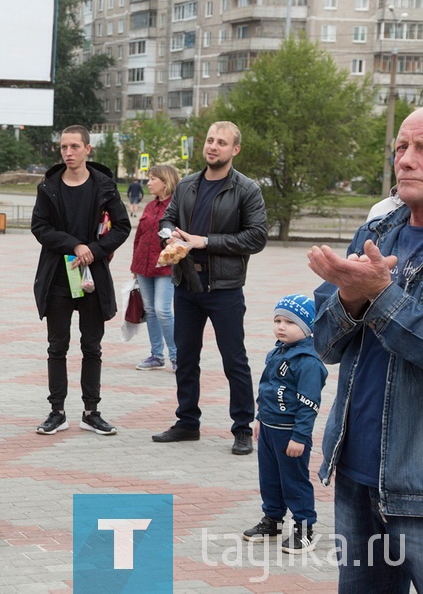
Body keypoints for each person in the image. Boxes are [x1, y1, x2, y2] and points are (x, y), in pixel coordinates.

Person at [307, 107, 423, 590]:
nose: (407, 161)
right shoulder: (379, 230)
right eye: (401, 147)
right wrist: (351, 297)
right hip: (358, 473)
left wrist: (378, 293)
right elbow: (324, 342)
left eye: (421, 150)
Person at [152, 121, 268, 455]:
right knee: (185, 357)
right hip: (186, 282)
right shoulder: (188, 185)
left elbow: (257, 236)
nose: (212, 146)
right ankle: (187, 422)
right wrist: (169, 235)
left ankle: (243, 428)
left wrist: (205, 242)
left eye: (221, 142)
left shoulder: (246, 189)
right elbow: (167, 218)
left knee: (234, 360)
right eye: (209, 140)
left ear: (235, 150)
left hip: (224, 287)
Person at [31, 125, 131, 437]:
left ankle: (91, 412)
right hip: (57, 277)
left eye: (75, 146)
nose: (68, 153)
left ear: (88, 149)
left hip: (92, 278)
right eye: (64, 147)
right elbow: (39, 227)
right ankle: (56, 411)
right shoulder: (49, 186)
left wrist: (95, 251)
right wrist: (74, 245)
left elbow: (122, 227)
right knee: (57, 346)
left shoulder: (104, 186)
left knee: (92, 346)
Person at [241, 294, 327, 554]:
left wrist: (300, 437)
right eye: (277, 320)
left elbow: (308, 404)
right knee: (270, 478)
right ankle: (273, 520)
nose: (280, 327)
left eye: (289, 322)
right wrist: (259, 418)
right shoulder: (277, 353)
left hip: (290, 433)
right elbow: (266, 388)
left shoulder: (308, 363)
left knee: (294, 481)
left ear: (308, 327)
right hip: (268, 428)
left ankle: (304, 528)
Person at [130, 164, 180, 371]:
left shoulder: (177, 206)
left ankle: (178, 356)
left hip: (165, 267)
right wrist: (134, 265)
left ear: (165, 181)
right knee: (150, 310)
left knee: (162, 310)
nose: (148, 183)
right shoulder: (150, 206)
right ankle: (156, 355)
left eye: (152, 179)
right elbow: (139, 236)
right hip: (143, 265)